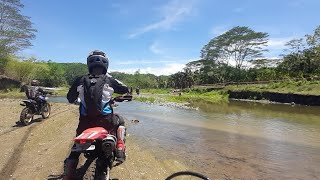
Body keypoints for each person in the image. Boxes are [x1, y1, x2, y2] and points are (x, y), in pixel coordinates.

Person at [63, 50, 130, 179]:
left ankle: (70, 166)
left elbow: (70, 98)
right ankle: (120, 148)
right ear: (106, 65)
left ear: (89, 64)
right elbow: (125, 89)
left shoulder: (80, 80)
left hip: (85, 122)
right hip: (106, 121)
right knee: (120, 121)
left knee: (77, 145)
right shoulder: (109, 79)